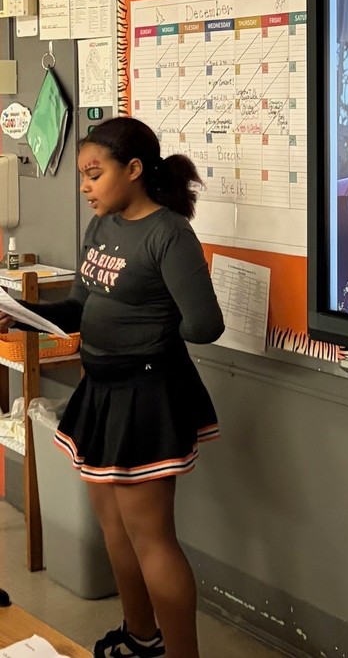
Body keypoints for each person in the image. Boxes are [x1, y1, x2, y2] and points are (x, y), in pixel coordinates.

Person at [0, 117, 225, 658]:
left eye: (93, 174)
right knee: (115, 531)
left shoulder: (168, 233)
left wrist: (152, 319)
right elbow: (80, 305)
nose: (84, 186)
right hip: (100, 389)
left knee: (151, 538)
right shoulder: (102, 227)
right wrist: (21, 314)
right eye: (82, 174)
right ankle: (141, 637)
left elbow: (204, 325)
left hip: (146, 395)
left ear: (134, 170)